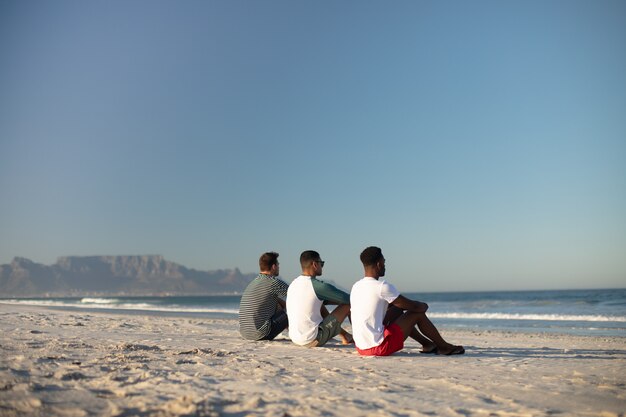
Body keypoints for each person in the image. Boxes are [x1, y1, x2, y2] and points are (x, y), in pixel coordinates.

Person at [350, 246, 465, 356]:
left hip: (361, 348)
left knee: (397, 309)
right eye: (384, 262)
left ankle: (427, 344)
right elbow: (414, 307)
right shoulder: (382, 287)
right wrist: (423, 305)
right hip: (378, 347)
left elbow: (397, 305)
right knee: (417, 314)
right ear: (379, 264)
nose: (385, 266)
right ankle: (444, 347)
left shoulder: (356, 286)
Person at [286, 250, 352, 347]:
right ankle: (361, 340)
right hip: (312, 339)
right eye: (322, 263)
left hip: (295, 338)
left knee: (319, 303)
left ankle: (346, 336)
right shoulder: (318, 286)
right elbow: (351, 299)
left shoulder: (294, 284)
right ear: (315, 264)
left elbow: (318, 301)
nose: (322, 267)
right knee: (349, 305)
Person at [239, 251, 289, 341]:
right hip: (261, 335)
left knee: (276, 301)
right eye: (278, 264)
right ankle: (299, 335)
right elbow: (296, 295)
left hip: (245, 334)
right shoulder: (273, 282)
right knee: (291, 310)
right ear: (274, 266)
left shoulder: (254, 282)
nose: (279, 267)